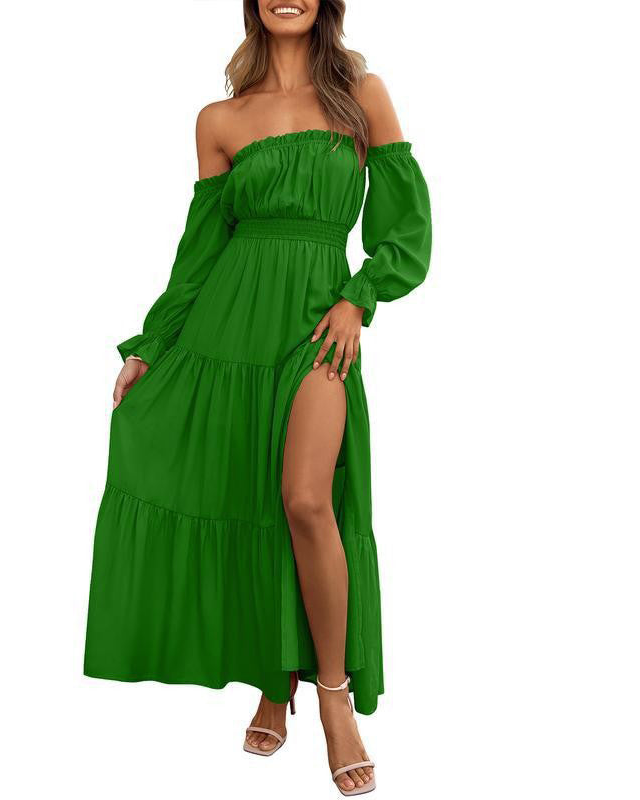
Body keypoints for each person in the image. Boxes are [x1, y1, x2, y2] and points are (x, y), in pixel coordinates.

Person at [84, 1, 432, 795]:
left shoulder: (362, 95)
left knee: (307, 501)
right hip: (225, 332)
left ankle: (334, 696)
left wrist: (359, 299)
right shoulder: (220, 120)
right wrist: (151, 345)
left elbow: (408, 227)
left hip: (316, 328)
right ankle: (274, 680)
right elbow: (201, 252)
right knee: (251, 500)